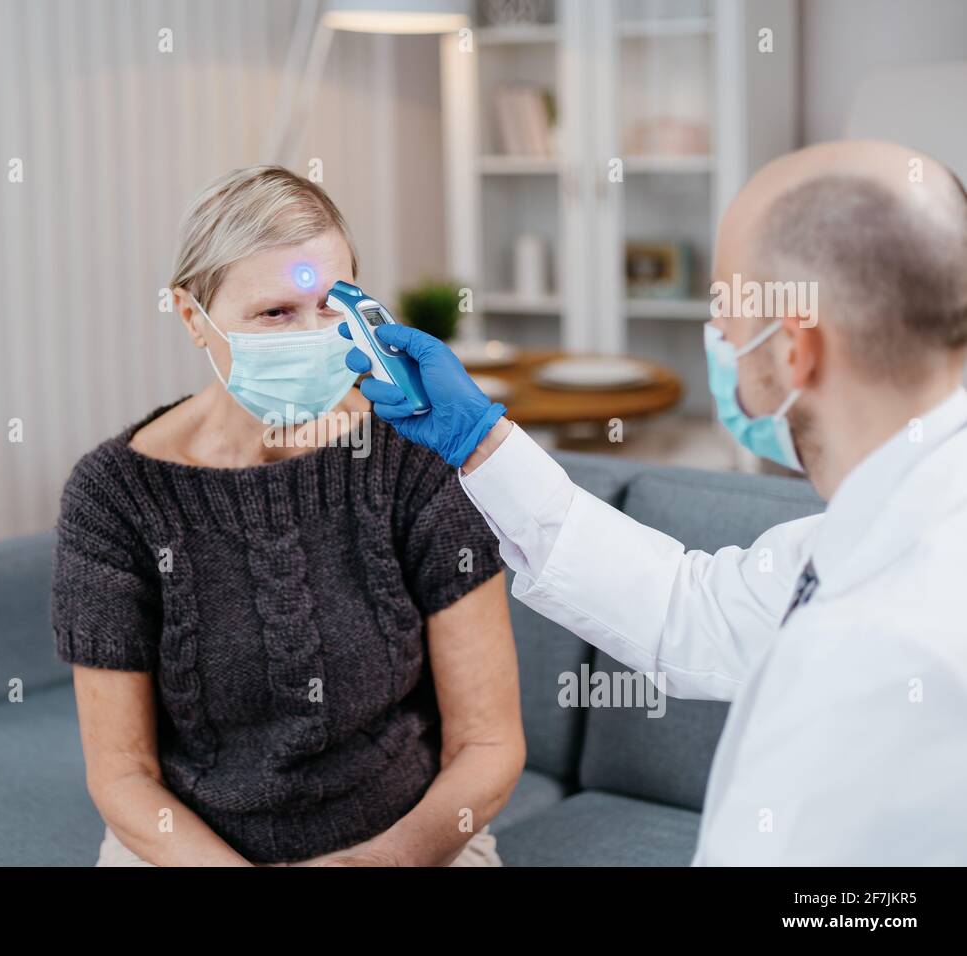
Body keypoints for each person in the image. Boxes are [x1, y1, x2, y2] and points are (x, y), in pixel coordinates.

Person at [344, 140, 967, 864]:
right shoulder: (898, 516)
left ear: (797, 351)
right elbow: (689, 607)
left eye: (726, 312)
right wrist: (480, 441)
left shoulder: (881, 644)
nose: (719, 340)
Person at [51, 165, 525, 867]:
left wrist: (378, 863)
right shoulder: (113, 497)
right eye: (276, 313)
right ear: (192, 317)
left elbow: (488, 746)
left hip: (406, 846)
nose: (313, 336)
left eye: (333, 309)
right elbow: (123, 777)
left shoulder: (411, 457)